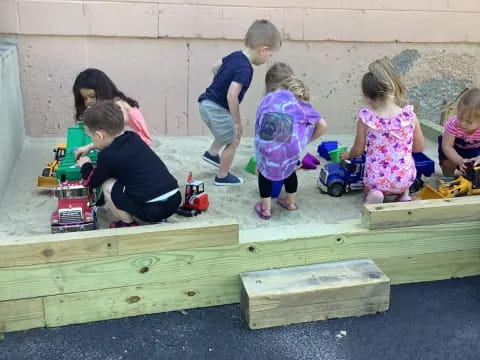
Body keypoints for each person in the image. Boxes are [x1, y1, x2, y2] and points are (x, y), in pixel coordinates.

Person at [198, 19, 282, 186]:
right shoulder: (246, 69)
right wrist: (238, 122)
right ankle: (222, 176)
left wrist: (220, 83)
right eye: (270, 54)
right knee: (233, 139)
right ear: (262, 50)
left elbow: (215, 67)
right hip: (216, 108)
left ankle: (212, 153)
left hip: (205, 102)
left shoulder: (235, 55)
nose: (268, 57)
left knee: (225, 129)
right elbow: (231, 96)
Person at [76, 100, 181, 228]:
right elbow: (113, 140)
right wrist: (90, 146)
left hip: (152, 210)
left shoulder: (107, 156)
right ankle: (155, 217)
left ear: (99, 135)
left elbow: (91, 181)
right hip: (174, 200)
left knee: (107, 184)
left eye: (91, 137)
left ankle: (127, 224)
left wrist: (85, 164)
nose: (92, 140)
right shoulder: (133, 137)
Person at [341, 58, 425, 204]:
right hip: (404, 177)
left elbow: (358, 151)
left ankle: (374, 194)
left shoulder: (367, 118)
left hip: (376, 179)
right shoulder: (409, 115)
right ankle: (403, 194)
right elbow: (419, 147)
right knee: (403, 169)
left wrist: (348, 154)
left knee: (371, 183)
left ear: (367, 97)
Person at [254, 63, 327, 219]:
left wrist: (259, 153)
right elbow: (322, 125)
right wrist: (304, 140)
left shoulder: (266, 100)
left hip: (267, 147)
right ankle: (290, 202)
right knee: (290, 171)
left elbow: (258, 127)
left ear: (269, 86)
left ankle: (266, 209)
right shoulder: (300, 102)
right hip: (290, 148)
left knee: (264, 175)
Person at [73, 68, 152, 162]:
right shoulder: (111, 104)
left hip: (140, 146)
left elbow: (114, 139)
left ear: (102, 91)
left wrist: (89, 148)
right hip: (131, 142)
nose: (88, 102)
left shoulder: (117, 107)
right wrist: (89, 147)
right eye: (85, 98)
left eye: (92, 97)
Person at [439, 88, 480, 176]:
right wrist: (459, 161)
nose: (462, 123)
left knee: (476, 165)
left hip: (473, 149)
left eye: (469, 121)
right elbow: (447, 146)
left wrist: (478, 158)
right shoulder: (452, 124)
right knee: (447, 163)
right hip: (452, 147)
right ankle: (448, 178)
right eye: (460, 117)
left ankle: (471, 178)